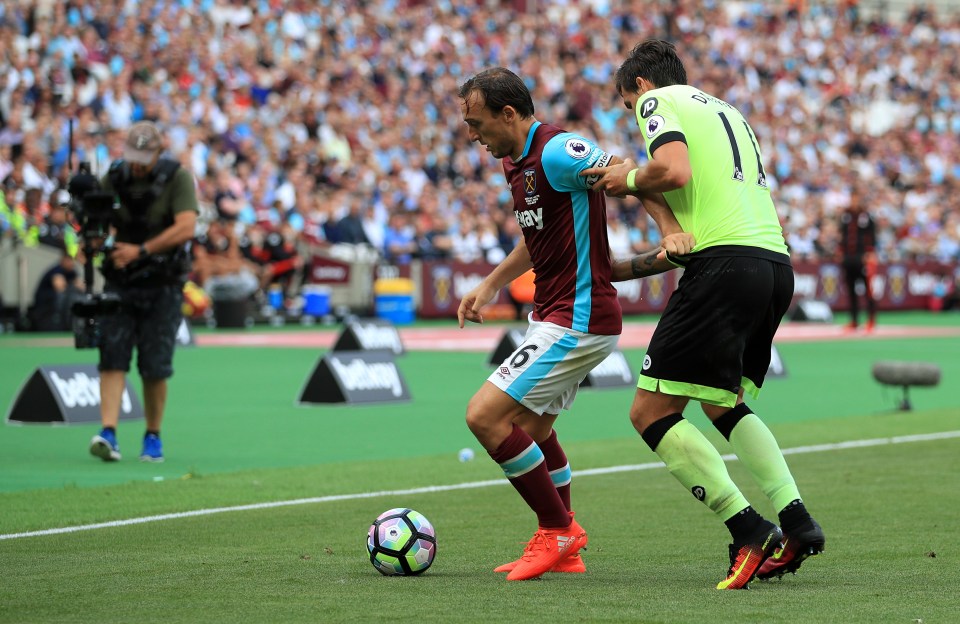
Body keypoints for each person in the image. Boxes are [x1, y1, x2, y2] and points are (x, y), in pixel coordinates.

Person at [581, 39, 824, 590]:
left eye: (627, 104)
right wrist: (650, 232)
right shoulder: (726, 111)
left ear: (641, 85)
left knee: (649, 413)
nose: (633, 115)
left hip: (726, 268)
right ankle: (798, 522)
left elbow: (671, 169)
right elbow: (689, 220)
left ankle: (749, 530)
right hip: (773, 266)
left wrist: (629, 180)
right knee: (723, 405)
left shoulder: (656, 101)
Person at [455, 67, 692, 582]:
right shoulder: (516, 163)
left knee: (485, 417)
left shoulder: (560, 150)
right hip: (556, 313)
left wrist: (670, 228)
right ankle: (566, 546)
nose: (472, 135)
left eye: (476, 123)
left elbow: (627, 172)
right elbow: (534, 239)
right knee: (533, 431)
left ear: (509, 114)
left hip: (579, 318)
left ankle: (556, 529)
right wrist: (491, 285)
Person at [88, 121, 199, 463]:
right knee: (112, 354)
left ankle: (153, 435)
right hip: (121, 279)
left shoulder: (177, 177)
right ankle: (108, 432)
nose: (136, 163)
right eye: (131, 155)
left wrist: (141, 250)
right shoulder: (116, 176)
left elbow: (186, 226)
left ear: (157, 153)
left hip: (162, 282)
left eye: (143, 157)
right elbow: (97, 218)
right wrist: (92, 237)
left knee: (155, 366)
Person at [838, 187, 878, 331]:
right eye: (852, 198)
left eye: (857, 198)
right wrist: (841, 253)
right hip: (849, 258)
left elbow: (872, 236)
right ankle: (854, 320)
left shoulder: (866, 216)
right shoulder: (846, 216)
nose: (854, 201)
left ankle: (871, 319)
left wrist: (870, 253)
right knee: (851, 289)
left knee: (868, 289)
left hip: (862, 258)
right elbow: (842, 236)